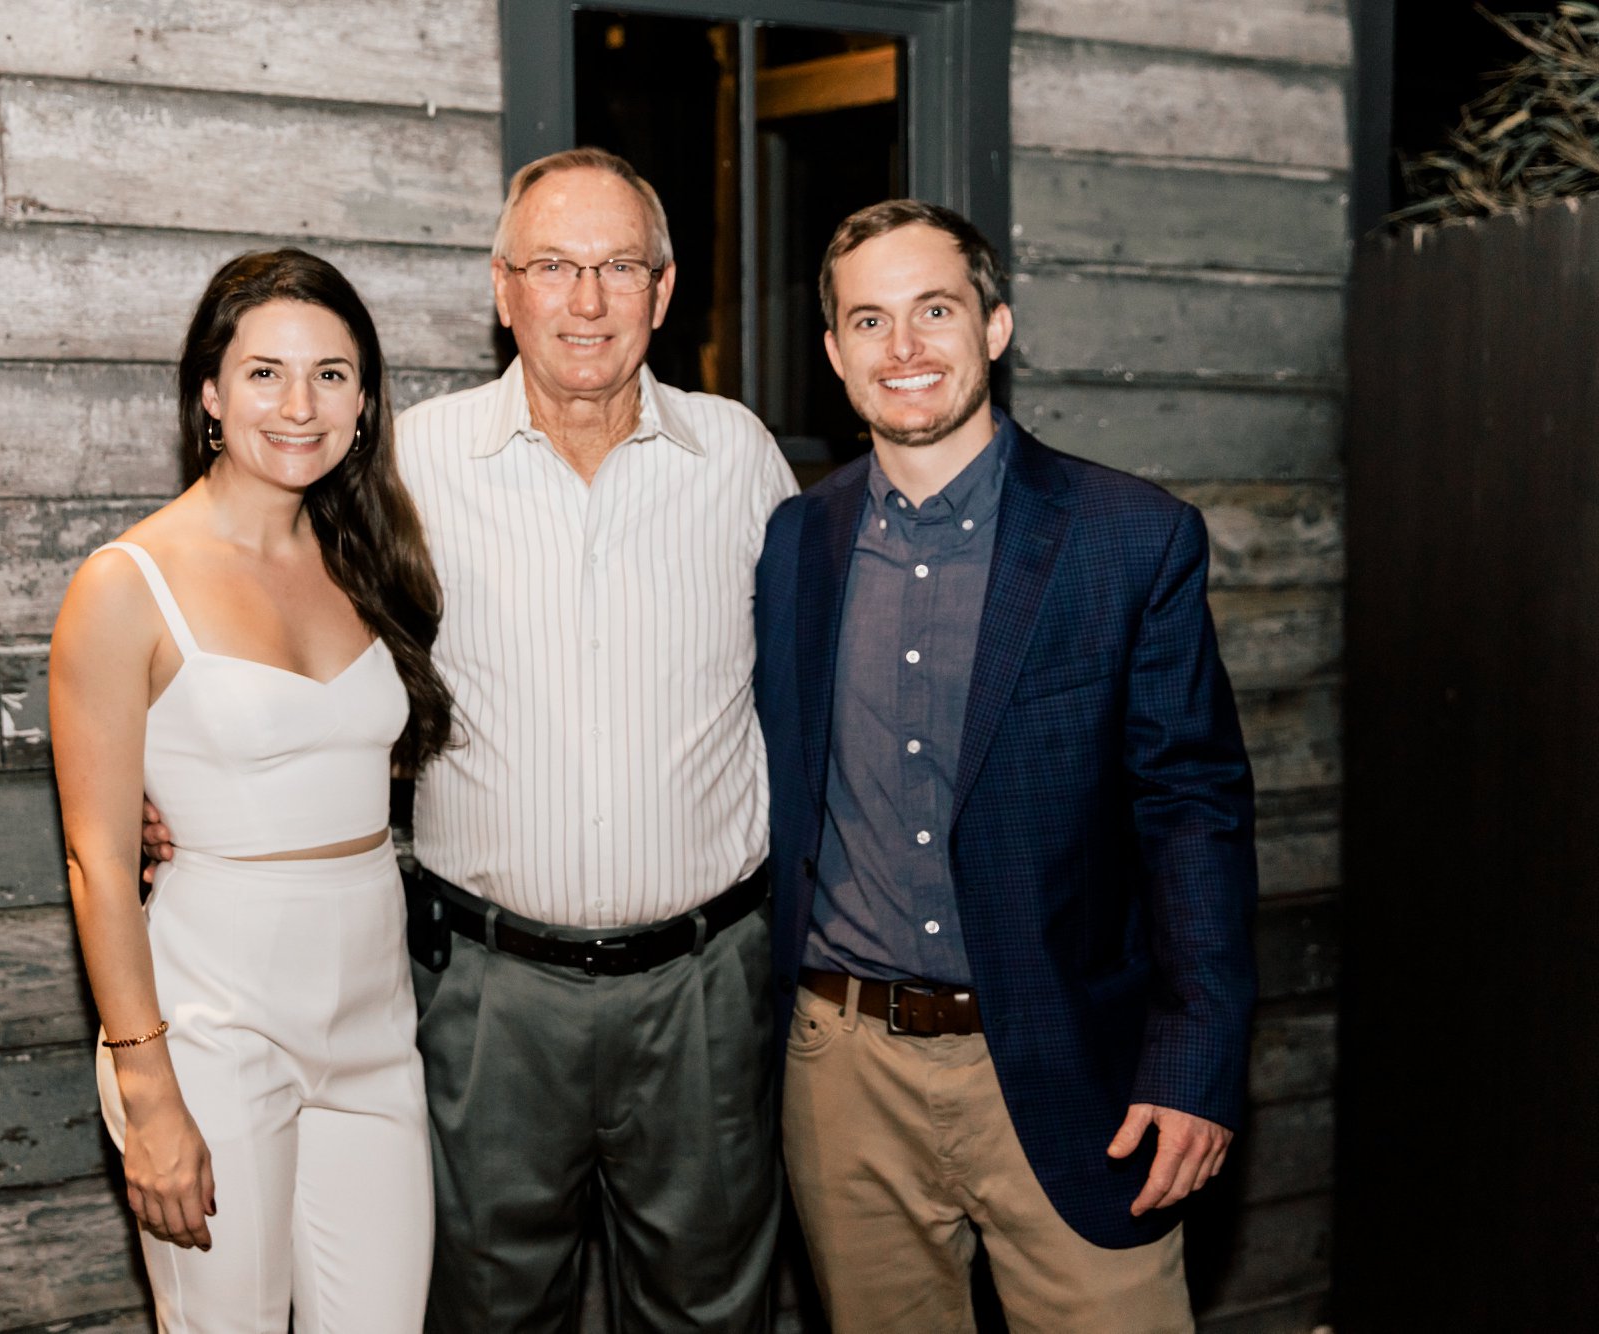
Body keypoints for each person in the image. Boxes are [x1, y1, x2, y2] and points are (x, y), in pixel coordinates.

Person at [145, 148, 797, 1331]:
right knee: (484, 1307)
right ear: (502, 288)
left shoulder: (741, 459)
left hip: (703, 987)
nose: (584, 300)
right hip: (487, 993)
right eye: (552, 265)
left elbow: (809, 682)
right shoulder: (404, 461)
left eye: (616, 267)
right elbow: (257, 613)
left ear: (663, 289)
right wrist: (180, 787)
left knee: (713, 1310)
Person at [753, 200, 1258, 1333]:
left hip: (1074, 1061)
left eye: (933, 309)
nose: (904, 348)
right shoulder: (798, 543)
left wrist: (1194, 1057)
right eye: (868, 320)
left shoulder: (1129, 537)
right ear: (833, 355)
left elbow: (1192, 812)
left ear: (993, 324)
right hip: (844, 1072)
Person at [51, 249, 452, 1333]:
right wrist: (147, 1088)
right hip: (211, 1021)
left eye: (332, 374)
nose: (300, 403)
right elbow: (95, 856)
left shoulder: (366, 557)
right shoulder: (125, 583)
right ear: (209, 393)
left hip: (374, 1020)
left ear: (365, 404)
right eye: (265, 371)